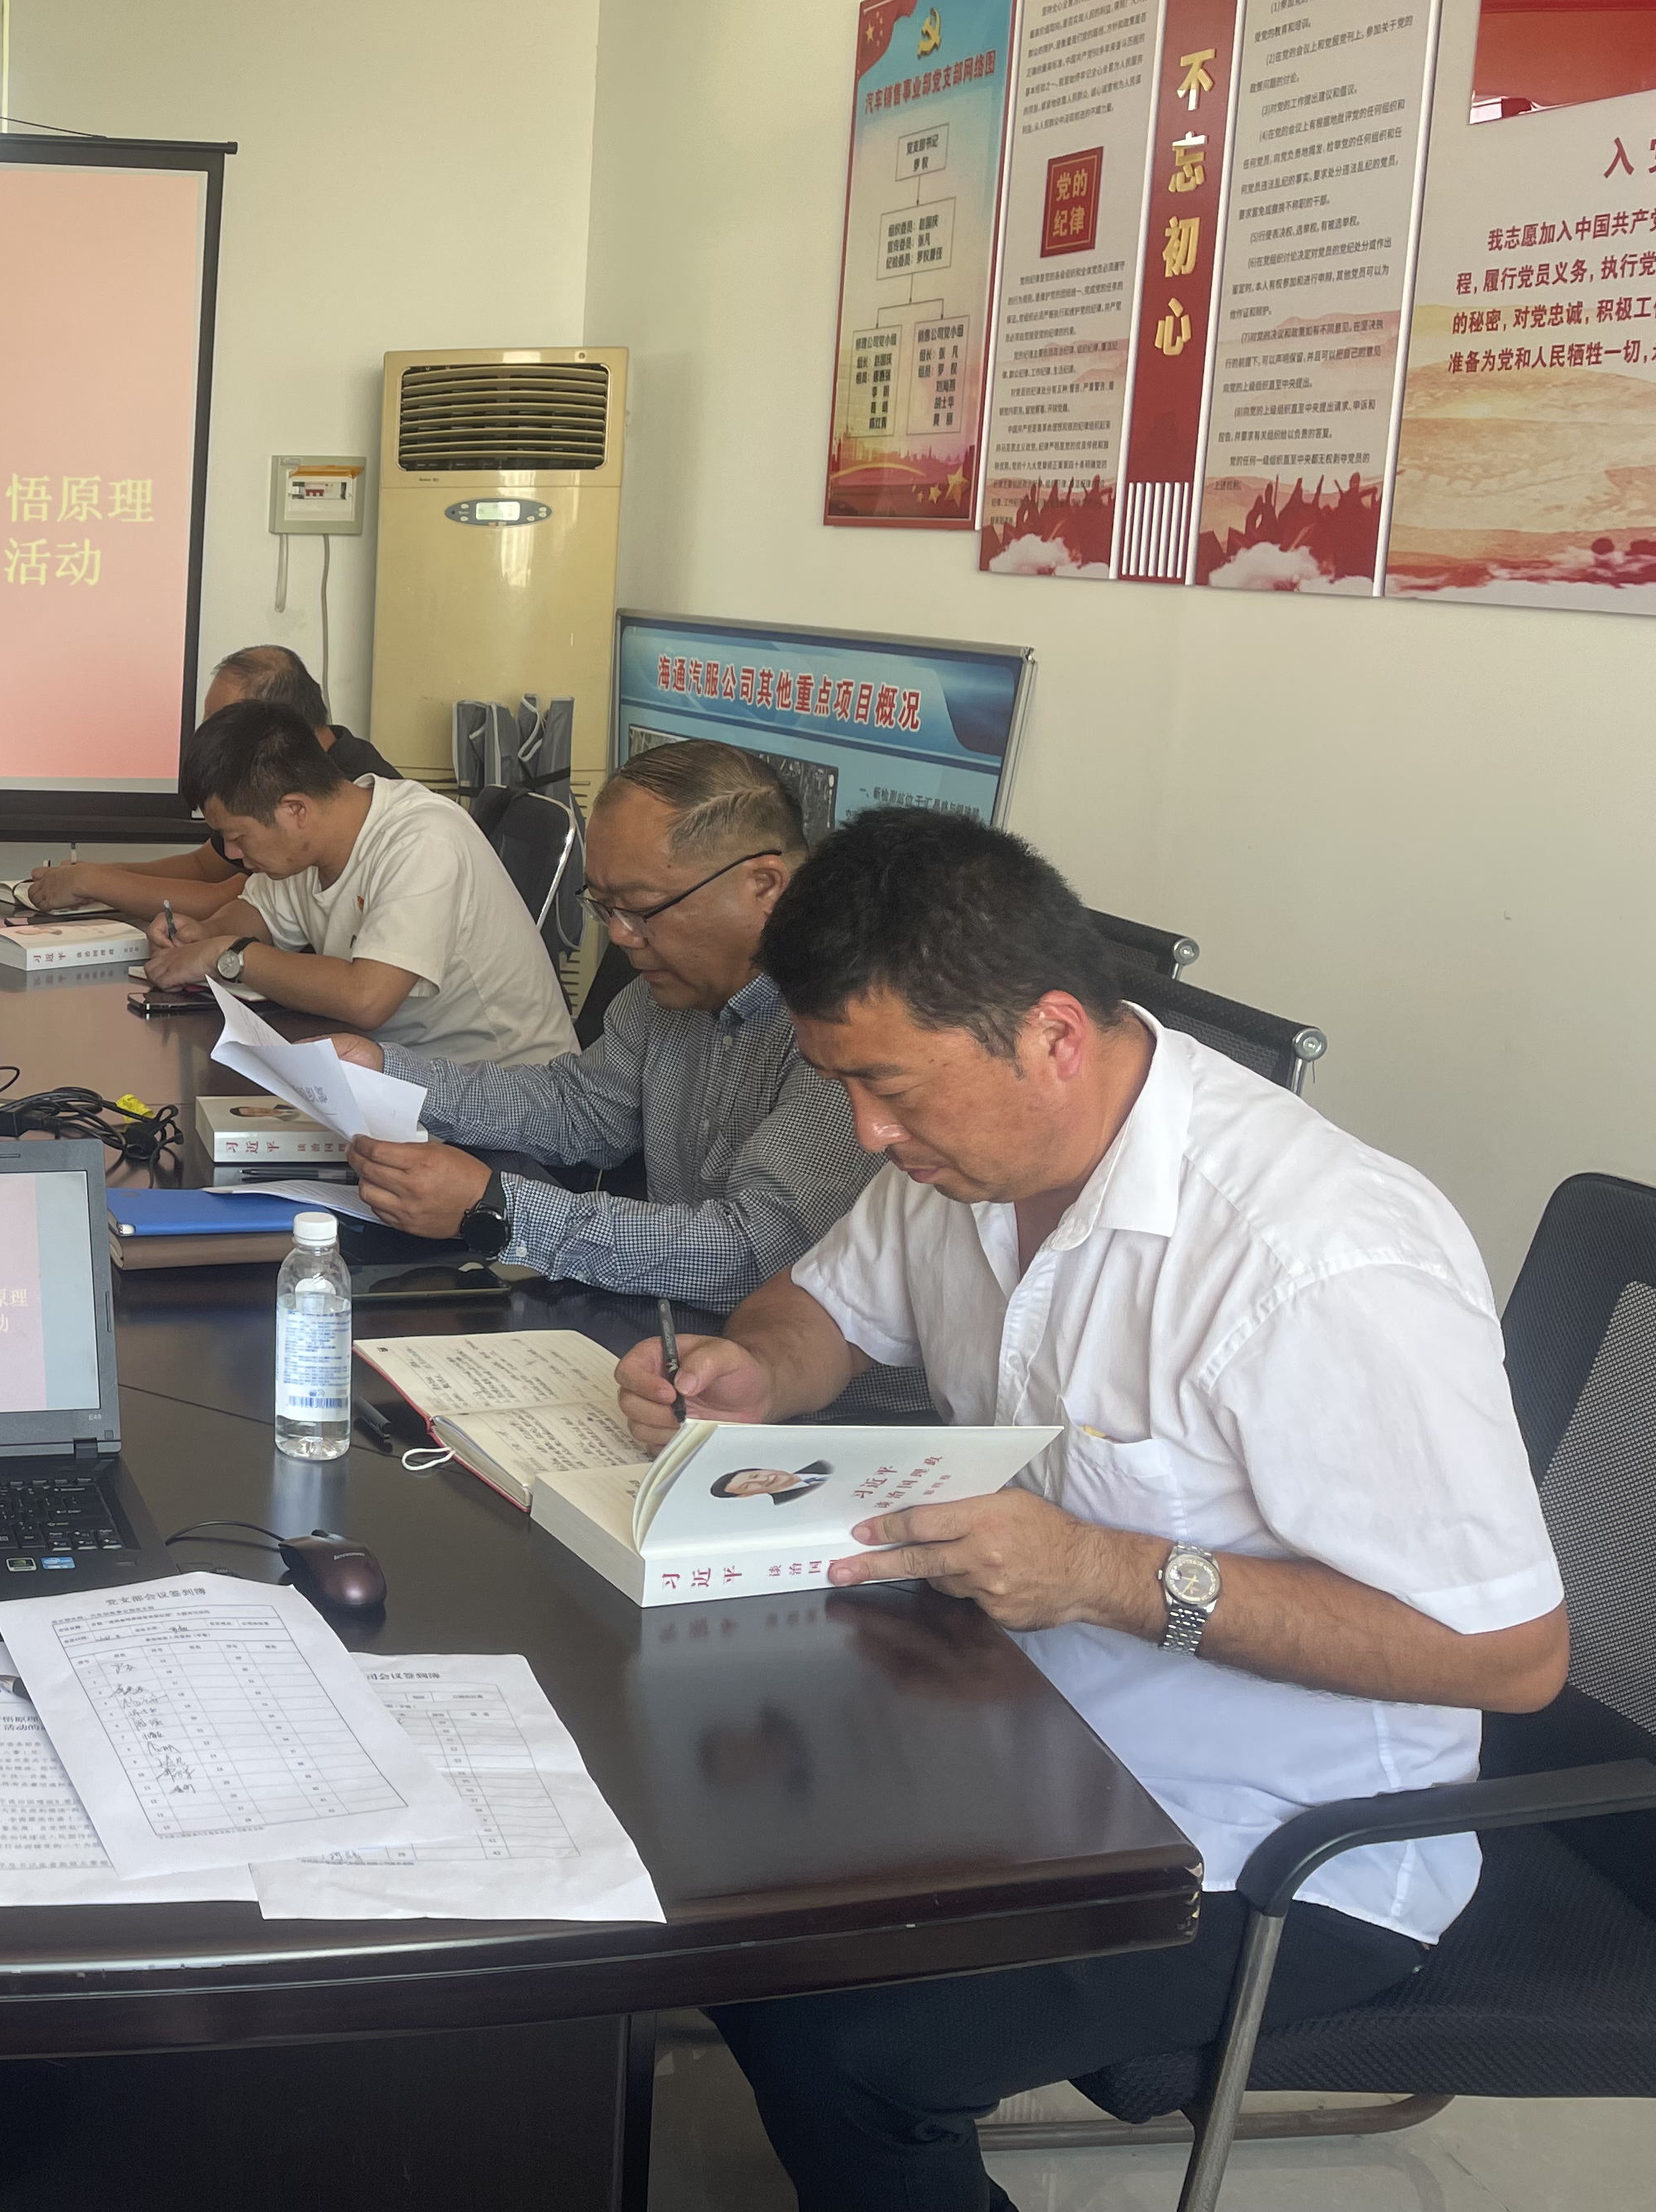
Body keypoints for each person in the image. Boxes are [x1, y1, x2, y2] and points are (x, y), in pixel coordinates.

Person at [614, 807, 1565, 2212]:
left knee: (845, 2047)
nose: (869, 1131)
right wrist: (752, 1368)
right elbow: (820, 1308)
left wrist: (1104, 1573)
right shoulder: (962, 1159)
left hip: (1271, 1844)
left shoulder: (1318, 1262)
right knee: (700, 1842)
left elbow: (1511, 1656)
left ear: (1053, 1034)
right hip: (1012, 1727)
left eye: (888, 1087)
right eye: (844, 1085)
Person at [325, 739, 874, 1302]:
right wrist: (388, 1072)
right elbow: (578, 1109)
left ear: (764, 886)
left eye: (641, 908)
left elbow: (754, 1254)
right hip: (665, 1321)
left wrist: (498, 1208)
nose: (619, 936)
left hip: (778, 1348)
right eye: (604, 907)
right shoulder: (666, 994)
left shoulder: (847, 1027)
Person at [139, 700, 576, 1068]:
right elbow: (257, 913)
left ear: (295, 810)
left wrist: (226, 955)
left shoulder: (422, 840)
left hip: (505, 1096)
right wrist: (204, 933)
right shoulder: (310, 844)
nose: (233, 853)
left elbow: (365, 998)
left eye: (237, 837)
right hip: (398, 1070)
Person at [26, 644, 399, 923]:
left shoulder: (339, 795)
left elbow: (228, 900)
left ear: (275, 728)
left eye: (223, 726)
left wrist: (94, 883)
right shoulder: (273, 776)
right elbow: (206, 866)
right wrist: (94, 872)